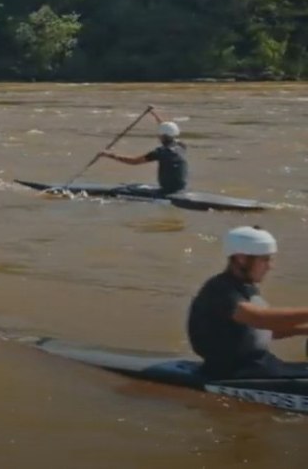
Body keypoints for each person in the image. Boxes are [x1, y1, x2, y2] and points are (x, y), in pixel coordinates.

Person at [187, 226, 308, 379]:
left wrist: (303, 329)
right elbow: (260, 318)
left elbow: (264, 331)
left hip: (259, 364)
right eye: (265, 260)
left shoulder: (247, 288)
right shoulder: (220, 290)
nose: (270, 266)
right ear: (241, 258)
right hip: (230, 372)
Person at [96, 115, 188, 195]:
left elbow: (134, 162)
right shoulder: (181, 146)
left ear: (161, 136)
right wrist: (154, 114)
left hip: (167, 190)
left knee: (129, 188)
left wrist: (109, 155)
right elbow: (166, 129)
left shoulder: (161, 152)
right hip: (181, 188)